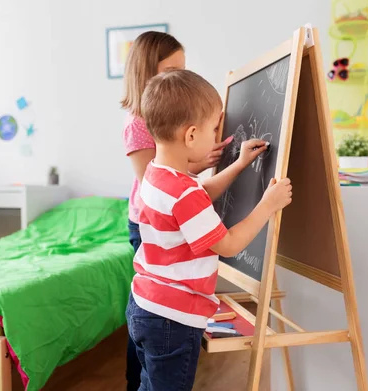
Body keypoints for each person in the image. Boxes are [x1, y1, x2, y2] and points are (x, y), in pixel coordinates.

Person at [126, 69, 292, 391]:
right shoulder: (184, 194)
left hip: (145, 306)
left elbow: (198, 197)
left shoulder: (157, 175)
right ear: (190, 136)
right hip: (172, 319)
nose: (218, 134)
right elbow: (228, 244)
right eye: (213, 128)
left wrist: (239, 164)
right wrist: (267, 206)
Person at [120, 31, 230, 391]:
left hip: (170, 214)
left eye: (183, 69)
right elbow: (165, 180)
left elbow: (177, 177)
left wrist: (203, 161)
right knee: (156, 311)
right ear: (146, 73)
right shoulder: (139, 125)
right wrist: (197, 163)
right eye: (170, 70)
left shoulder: (174, 139)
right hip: (151, 222)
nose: (178, 77)